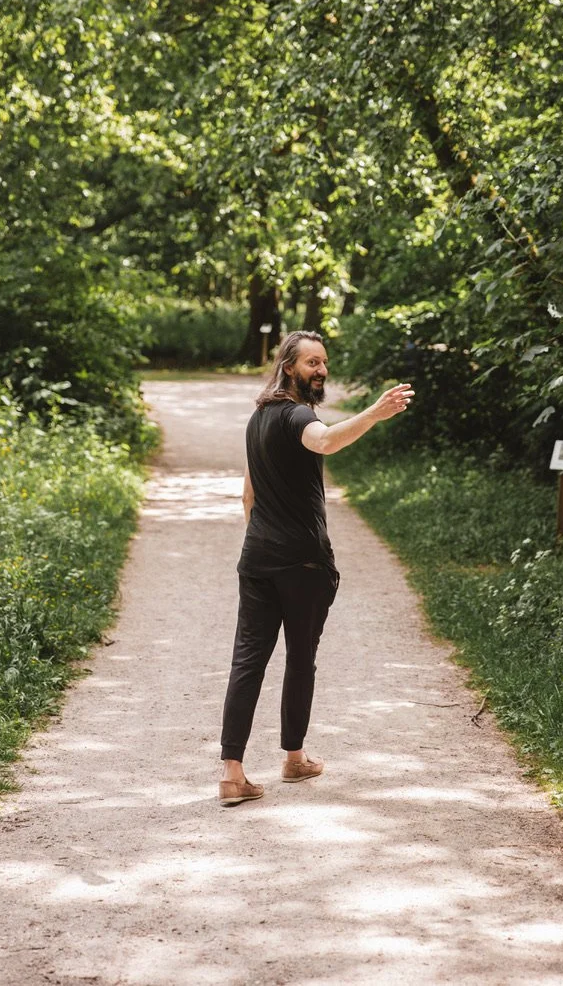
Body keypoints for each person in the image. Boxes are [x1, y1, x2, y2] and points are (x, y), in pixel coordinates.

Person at [219, 330, 414, 805]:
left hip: (257, 558)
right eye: (311, 363)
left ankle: (232, 774)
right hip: (303, 562)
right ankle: (294, 758)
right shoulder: (297, 415)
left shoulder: (257, 418)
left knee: (247, 661)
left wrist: (263, 541)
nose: (321, 370)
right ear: (289, 367)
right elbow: (324, 442)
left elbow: (249, 496)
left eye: (324, 362)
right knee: (299, 658)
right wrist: (375, 412)